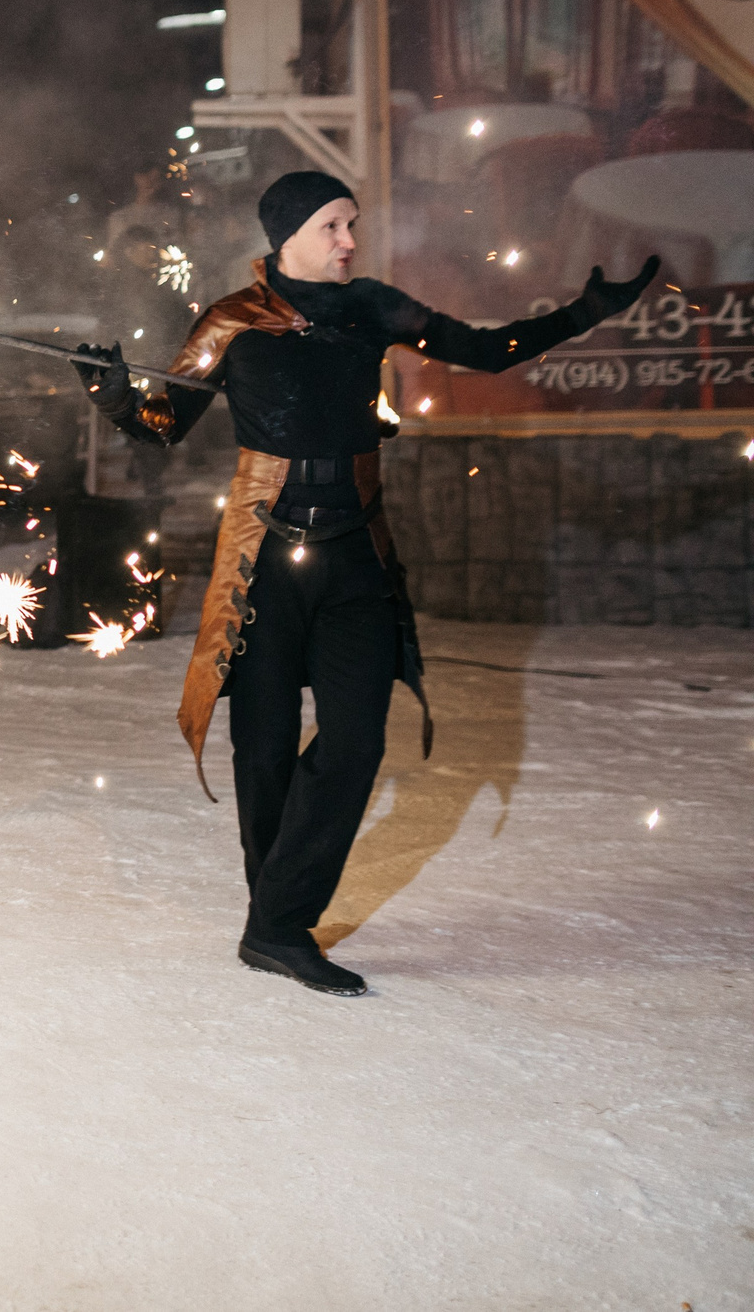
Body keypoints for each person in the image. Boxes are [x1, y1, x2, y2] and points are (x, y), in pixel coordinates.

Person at [72, 169, 655, 997]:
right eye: (334, 226)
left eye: (352, 224)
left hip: (353, 557)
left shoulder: (375, 305)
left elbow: (490, 349)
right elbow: (164, 424)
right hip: (263, 560)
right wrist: (113, 393)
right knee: (265, 746)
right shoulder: (231, 322)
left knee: (356, 739)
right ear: (288, 234)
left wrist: (587, 310)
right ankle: (273, 920)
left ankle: (277, 921)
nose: (350, 240)